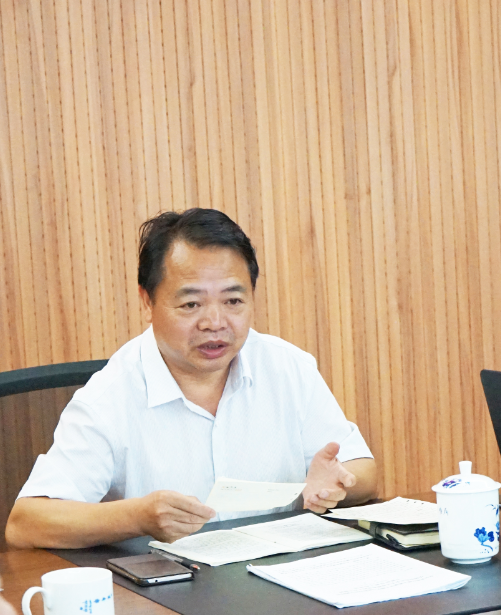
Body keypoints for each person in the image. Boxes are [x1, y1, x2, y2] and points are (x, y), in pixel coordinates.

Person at [6, 209, 377, 549]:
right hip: (165, 587)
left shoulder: (287, 367)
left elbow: (363, 470)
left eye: (233, 301)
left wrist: (337, 485)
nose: (214, 323)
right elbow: (26, 524)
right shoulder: (110, 395)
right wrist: (136, 517)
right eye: (191, 304)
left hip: (279, 578)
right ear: (147, 301)